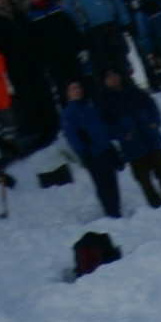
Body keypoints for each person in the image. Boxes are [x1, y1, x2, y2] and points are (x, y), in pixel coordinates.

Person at [97, 71, 161, 208]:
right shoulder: (105, 102)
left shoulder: (135, 91)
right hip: (132, 146)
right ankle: (156, 206)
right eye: (109, 77)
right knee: (144, 179)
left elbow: (152, 107)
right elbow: (105, 128)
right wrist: (122, 134)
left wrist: (154, 122)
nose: (114, 78)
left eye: (115, 75)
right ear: (104, 81)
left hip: (151, 138)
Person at [59, 79, 127, 218]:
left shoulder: (90, 106)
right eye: (73, 88)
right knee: (102, 185)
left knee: (112, 181)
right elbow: (72, 136)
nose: (77, 90)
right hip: (93, 154)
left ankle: (116, 209)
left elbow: (102, 126)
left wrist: (113, 138)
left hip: (106, 149)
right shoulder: (69, 113)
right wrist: (84, 151)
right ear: (68, 93)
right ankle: (111, 212)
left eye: (78, 87)